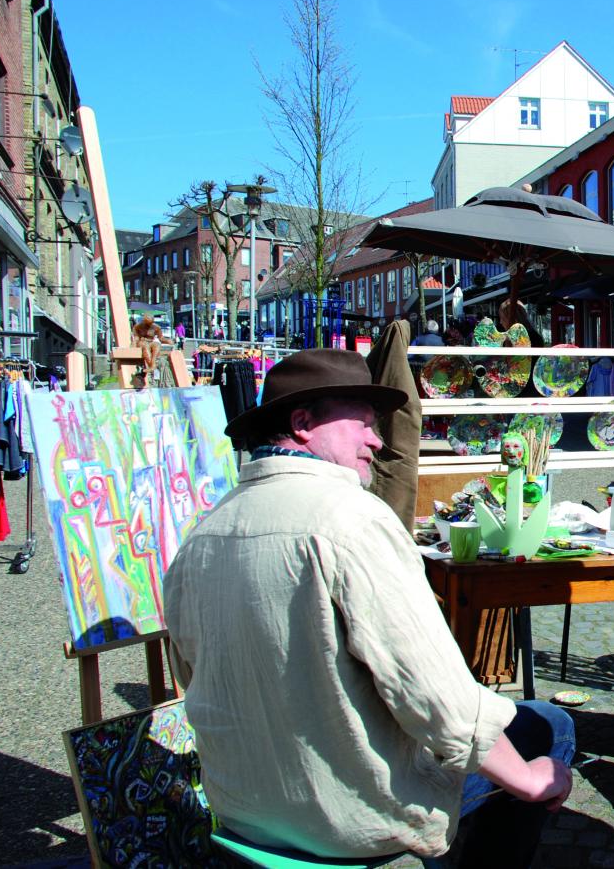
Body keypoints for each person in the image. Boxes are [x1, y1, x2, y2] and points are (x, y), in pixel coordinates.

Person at [163, 348, 574, 866]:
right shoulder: (352, 520)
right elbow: (439, 699)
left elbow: (194, 675)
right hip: (347, 819)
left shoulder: (199, 537)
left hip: (243, 812)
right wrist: (530, 779)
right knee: (549, 728)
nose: (377, 440)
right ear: (303, 423)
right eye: (361, 422)